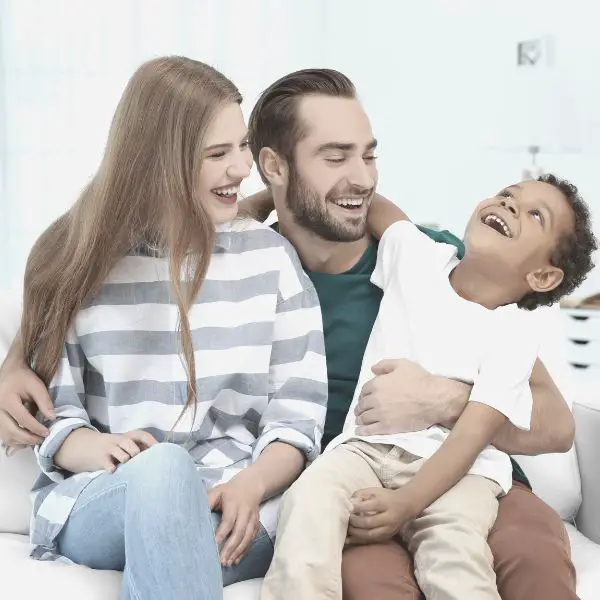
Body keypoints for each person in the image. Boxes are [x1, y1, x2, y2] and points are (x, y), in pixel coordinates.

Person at [0, 67, 581, 600]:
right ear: (276, 168)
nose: (362, 179)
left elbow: (555, 425)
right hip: (339, 489)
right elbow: (84, 290)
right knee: (336, 563)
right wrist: (14, 360)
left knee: (533, 560)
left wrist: (445, 399)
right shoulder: (219, 255)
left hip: (469, 478)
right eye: (335, 157)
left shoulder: (433, 265)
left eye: (369, 156)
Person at [14, 56, 328, 600]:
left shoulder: (271, 262)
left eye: (242, 146)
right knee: (164, 471)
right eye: (217, 154)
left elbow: (297, 419)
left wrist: (251, 485)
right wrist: (99, 447)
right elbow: (55, 420)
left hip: (236, 502)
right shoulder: (81, 263)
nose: (241, 168)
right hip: (107, 497)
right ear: (159, 162)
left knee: (177, 517)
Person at [259, 173, 597, 600]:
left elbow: (475, 431)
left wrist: (408, 503)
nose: (509, 203)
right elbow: (373, 205)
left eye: (534, 214)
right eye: (506, 194)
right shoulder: (420, 257)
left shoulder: (515, 335)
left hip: (464, 469)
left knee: (454, 557)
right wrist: (274, 193)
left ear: (544, 277)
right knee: (309, 499)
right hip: (365, 450)